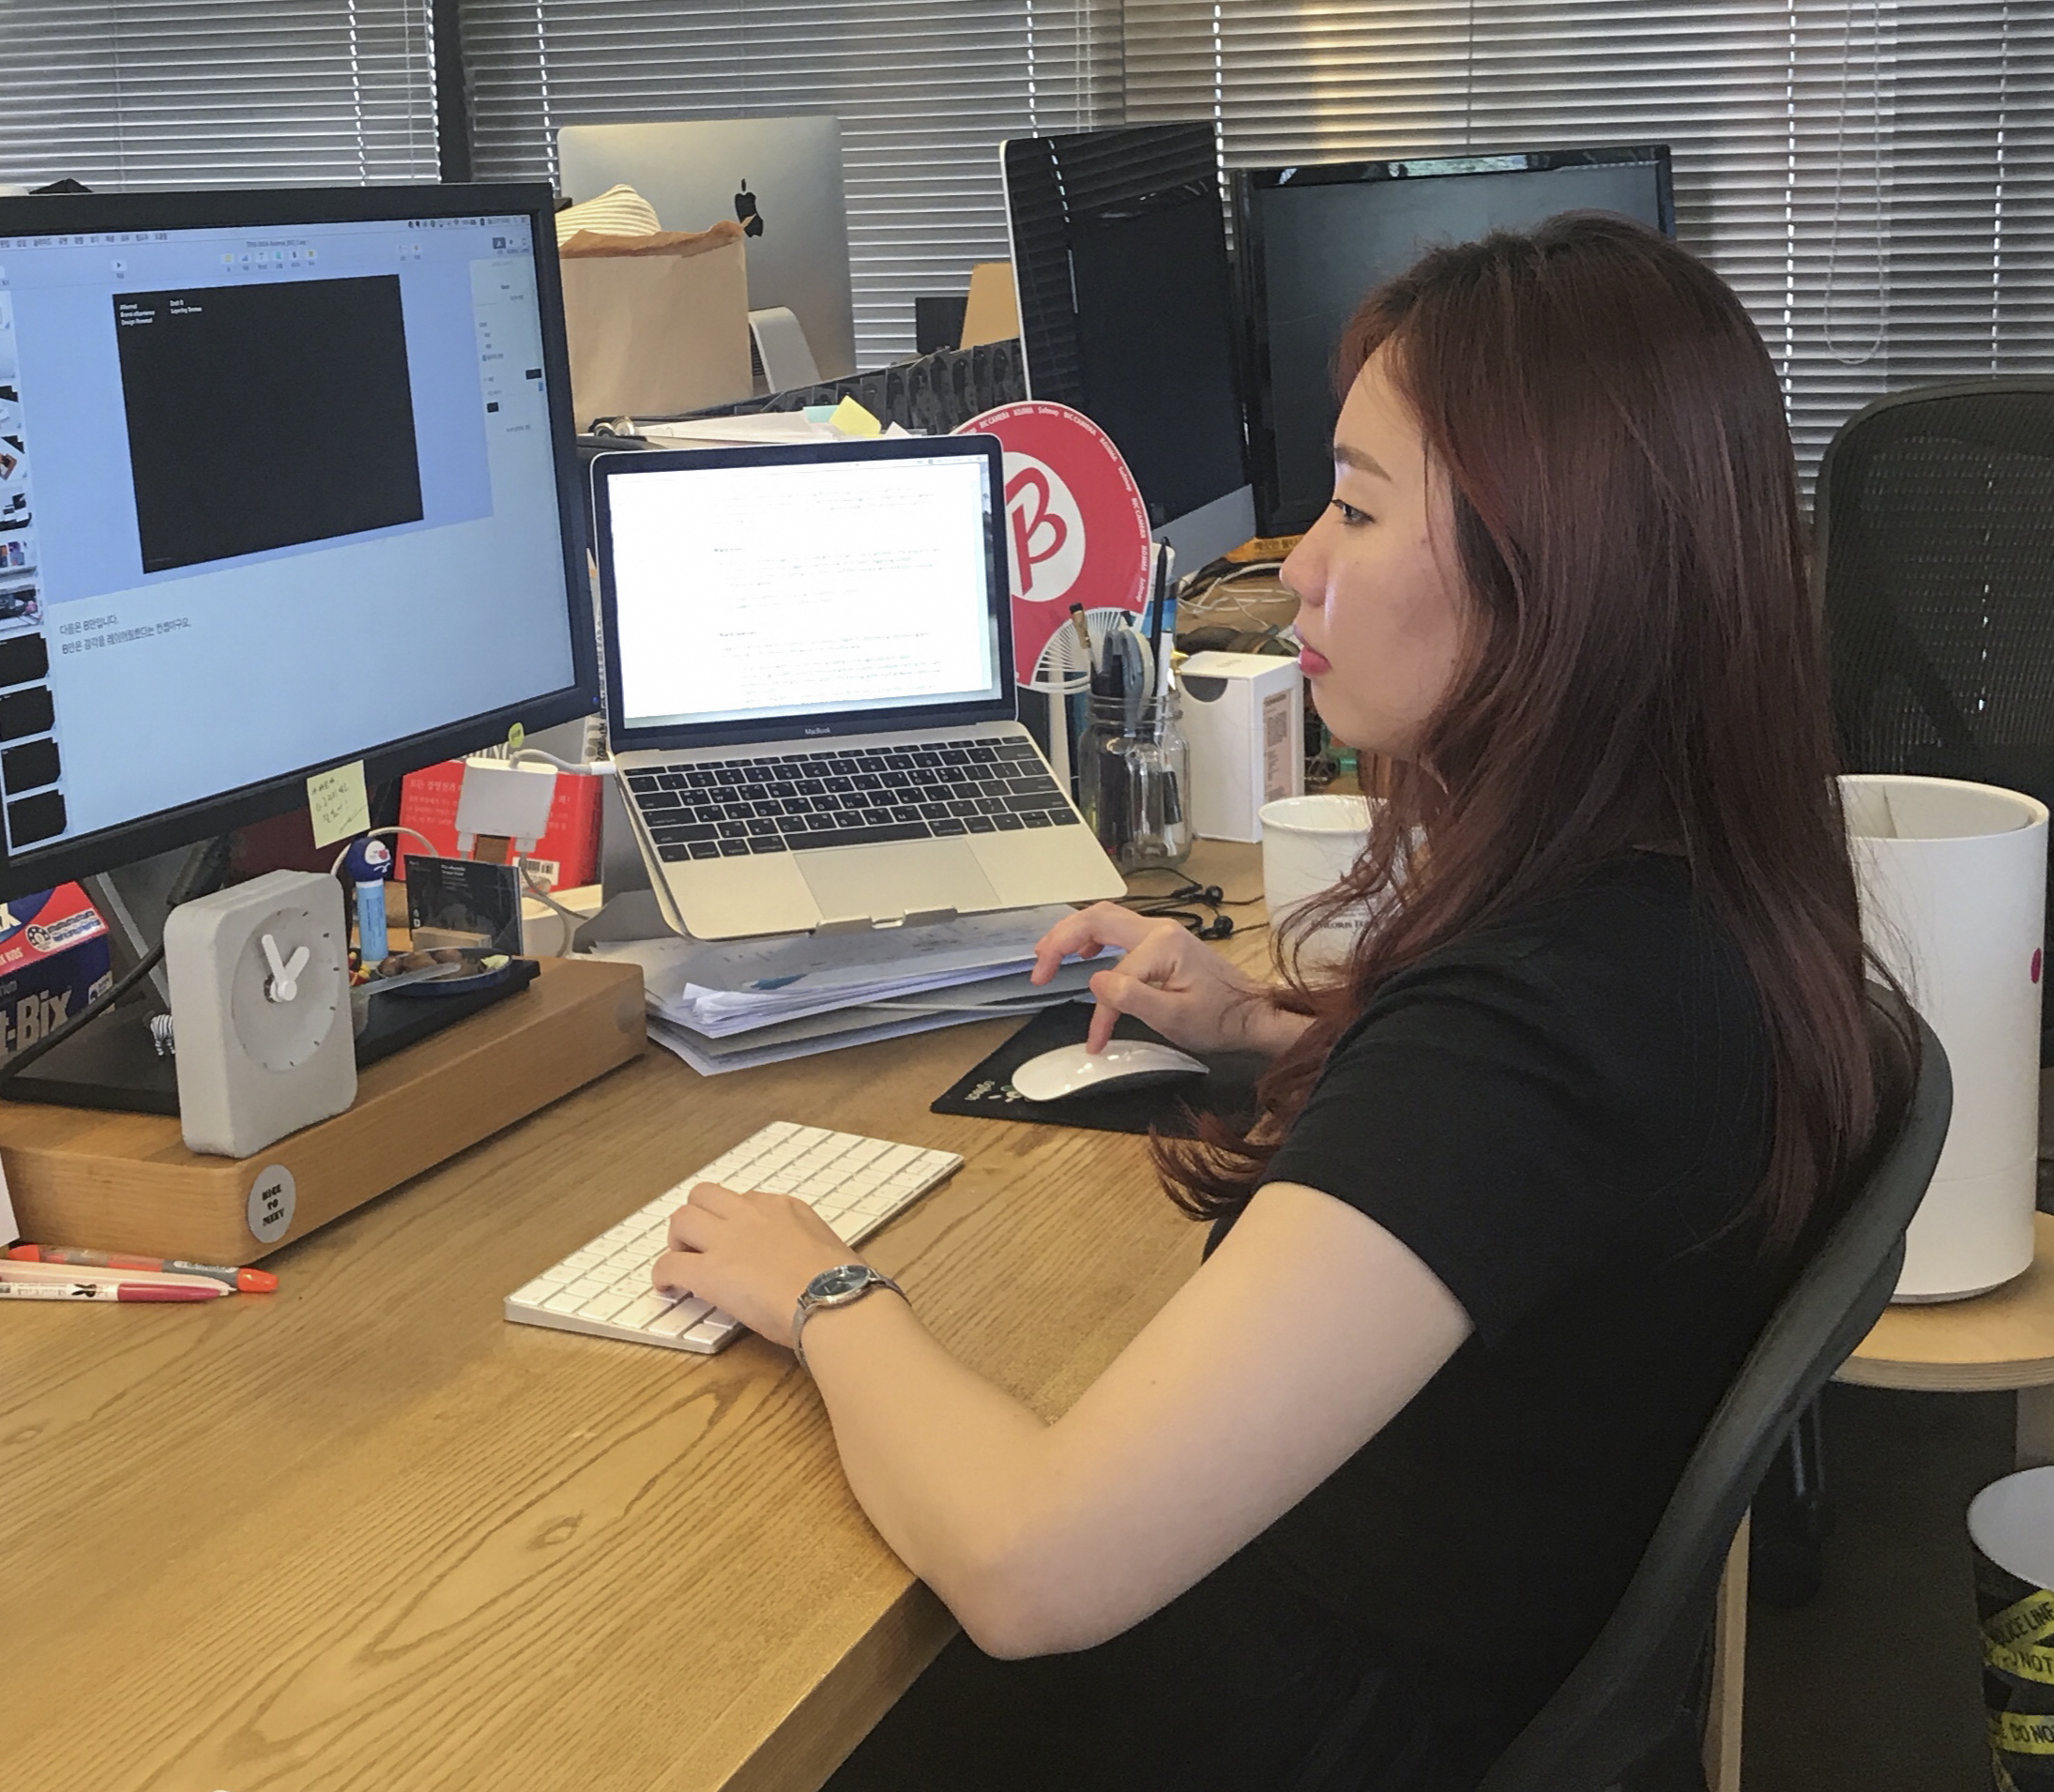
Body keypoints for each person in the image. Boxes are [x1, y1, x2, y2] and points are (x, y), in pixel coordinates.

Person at [650, 214, 1911, 1790]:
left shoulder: (1535, 1026)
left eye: (1355, 506)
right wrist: (1269, 1030)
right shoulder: (1687, 904)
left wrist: (825, 1288)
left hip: (1273, 1719)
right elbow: (1519, 1173)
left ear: (1556, 574)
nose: (1299, 563)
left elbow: (1032, 1564)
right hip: (1406, 1648)